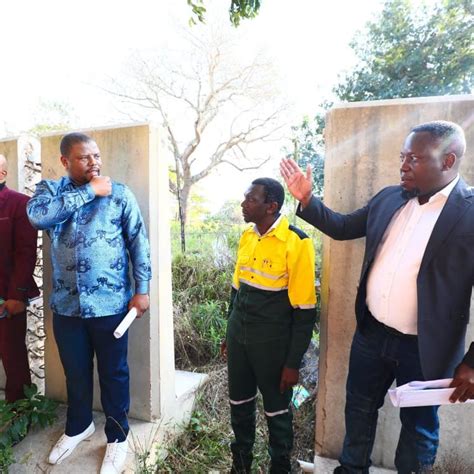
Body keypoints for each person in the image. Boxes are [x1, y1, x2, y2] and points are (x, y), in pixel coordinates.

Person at [280, 120, 474, 474]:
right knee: (358, 412)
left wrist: (473, 363)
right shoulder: (390, 198)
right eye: (402, 157)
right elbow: (341, 227)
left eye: (413, 159)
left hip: (425, 350)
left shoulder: (470, 214)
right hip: (371, 336)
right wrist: (307, 199)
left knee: (418, 433)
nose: (402, 166)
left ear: (448, 162)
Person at [27, 133, 151, 473]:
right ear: (66, 162)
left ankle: (117, 437)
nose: (94, 162)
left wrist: (143, 289)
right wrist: (88, 192)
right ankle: (79, 426)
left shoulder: (120, 195)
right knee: (76, 374)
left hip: (111, 306)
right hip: (67, 307)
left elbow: (138, 242)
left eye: (96, 155)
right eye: (84, 158)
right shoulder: (50, 192)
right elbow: (38, 218)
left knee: (115, 374)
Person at [222, 177, 317, 473]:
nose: (243, 204)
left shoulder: (297, 242)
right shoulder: (247, 236)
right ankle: (240, 466)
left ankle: (280, 467)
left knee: (277, 412)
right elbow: (237, 291)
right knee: (239, 404)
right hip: (240, 338)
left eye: (251, 200)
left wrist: (292, 362)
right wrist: (229, 332)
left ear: (271, 206)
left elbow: (304, 310)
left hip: (272, 346)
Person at [0, 154, 39, 403]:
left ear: (2, 174)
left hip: (6, 297)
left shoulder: (19, 204)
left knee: (12, 356)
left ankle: (18, 414)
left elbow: (26, 254)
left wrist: (17, 295)